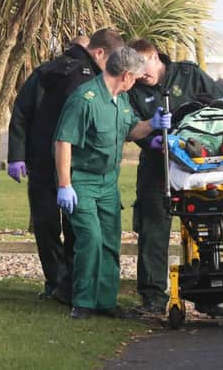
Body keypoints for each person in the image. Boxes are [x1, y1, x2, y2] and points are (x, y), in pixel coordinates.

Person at [54, 46, 171, 319]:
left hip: (109, 182)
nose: (137, 82)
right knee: (90, 240)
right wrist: (64, 184)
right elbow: (63, 141)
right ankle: (83, 302)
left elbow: (130, 130)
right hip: (81, 180)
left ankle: (106, 302)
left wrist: (152, 123)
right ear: (126, 76)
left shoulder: (121, 99)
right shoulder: (85, 99)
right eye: (136, 78)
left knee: (109, 241)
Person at [7, 28, 124, 303]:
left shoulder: (47, 71)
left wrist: (17, 155)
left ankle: (56, 282)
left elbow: (21, 112)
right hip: (75, 163)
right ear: (98, 53)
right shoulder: (93, 80)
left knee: (46, 224)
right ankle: (71, 283)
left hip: (42, 158)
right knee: (76, 226)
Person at [126, 38, 223, 316]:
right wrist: (152, 140)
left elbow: (221, 104)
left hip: (197, 165)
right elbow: (129, 125)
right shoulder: (132, 89)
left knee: (205, 229)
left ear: (155, 57)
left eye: (143, 67)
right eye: (135, 71)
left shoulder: (188, 74)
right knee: (153, 231)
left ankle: (207, 294)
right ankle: (153, 297)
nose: (140, 75)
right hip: (157, 166)